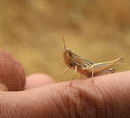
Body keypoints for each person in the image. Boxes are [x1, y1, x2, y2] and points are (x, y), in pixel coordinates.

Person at [0, 50, 130, 118]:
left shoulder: (78, 63)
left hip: (94, 68)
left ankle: (116, 61)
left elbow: (85, 68)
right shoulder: (72, 64)